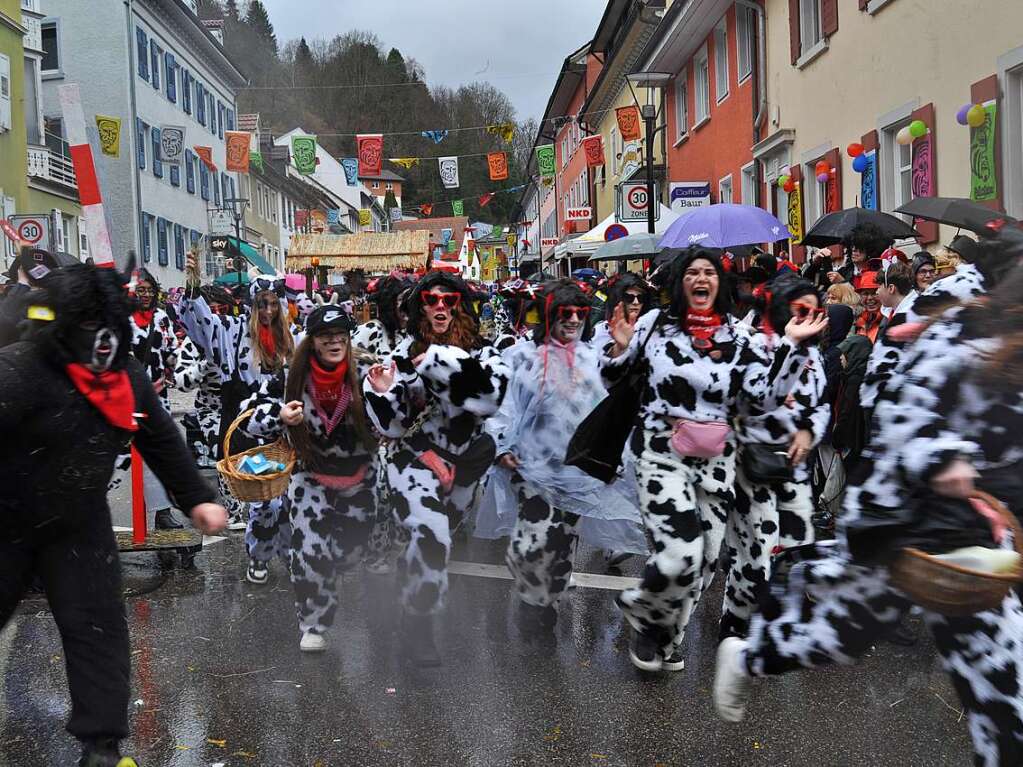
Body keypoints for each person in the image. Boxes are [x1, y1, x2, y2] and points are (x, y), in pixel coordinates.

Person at [713, 226, 1023, 767]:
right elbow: (895, 396)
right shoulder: (957, 318)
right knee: (845, 635)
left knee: (1007, 709)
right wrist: (943, 457)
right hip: (917, 520)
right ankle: (752, 650)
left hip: (990, 535)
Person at [0, 262, 226, 767]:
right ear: (59, 324)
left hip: (79, 524)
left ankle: (101, 747)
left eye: (107, 324)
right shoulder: (20, 368)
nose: (99, 339)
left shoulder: (125, 375)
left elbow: (161, 437)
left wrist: (197, 498)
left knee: (98, 629)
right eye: (85, 325)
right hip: (6, 522)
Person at [601, 247, 828, 671]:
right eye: (692, 272)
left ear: (718, 284)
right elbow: (614, 379)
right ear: (680, 283)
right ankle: (644, 612)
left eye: (709, 272)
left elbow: (762, 399)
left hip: (715, 462)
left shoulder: (737, 339)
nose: (700, 278)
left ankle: (662, 640)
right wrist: (619, 351)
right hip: (660, 452)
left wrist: (792, 348)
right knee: (680, 554)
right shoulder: (655, 326)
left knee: (703, 560)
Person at [363, 271, 509, 666]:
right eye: (431, 299)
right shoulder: (400, 358)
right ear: (418, 307)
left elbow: (489, 399)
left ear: (461, 304)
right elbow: (391, 426)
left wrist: (437, 362)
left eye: (449, 300)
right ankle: (419, 627)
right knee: (432, 537)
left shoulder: (484, 353)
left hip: (463, 467)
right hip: (414, 460)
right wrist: (379, 394)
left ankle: (411, 591)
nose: (440, 307)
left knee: (435, 542)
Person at [483, 280, 645, 629]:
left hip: (574, 472)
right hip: (531, 470)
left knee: (560, 548)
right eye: (564, 313)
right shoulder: (521, 357)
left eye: (579, 313)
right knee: (535, 540)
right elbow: (504, 407)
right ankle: (528, 587)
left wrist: (613, 457)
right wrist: (502, 446)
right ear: (548, 315)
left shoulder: (593, 358)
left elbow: (612, 409)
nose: (573, 320)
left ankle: (543, 600)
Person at [245, 302, 379, 652]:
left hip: (359, 477)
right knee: (309, 551)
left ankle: (326, 570)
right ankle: (314, 623)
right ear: (313, 340)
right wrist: (280, 416)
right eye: (325, 336)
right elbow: (250, 419)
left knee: (349, 551)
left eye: (340, 335)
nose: (334, 342)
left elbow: (397, 416)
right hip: (310, 478)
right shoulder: (291, 375)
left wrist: (388, 394)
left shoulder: (367, 371)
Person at [180, 253, 298, 585]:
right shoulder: (232, 334)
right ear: (252, 304)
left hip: (286, 436)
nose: (268, 311)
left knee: (288, 503)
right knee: (263, 505)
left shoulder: (293, 341)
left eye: (274, 304)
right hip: (247, 435)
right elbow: (202, 327)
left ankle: (290, 556)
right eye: (262, 304)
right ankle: (259, 558)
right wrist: (193, 286)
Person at [722, 276, 828, 641]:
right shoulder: (749, 343)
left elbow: (822, 403)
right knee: (756, 556)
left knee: (796, 552)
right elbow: (750, 400)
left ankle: (779, 626)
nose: (811, 318)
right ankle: (734, 625)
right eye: (802, 310)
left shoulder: (814, 354)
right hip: (753, 466)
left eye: (817, 311)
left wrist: (809, 430)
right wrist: (789, 346)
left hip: (794, 470)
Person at [860, 262, 915, 412]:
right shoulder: (893, 311)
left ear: (891, 289)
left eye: (879, 287)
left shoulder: (909, 316)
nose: (876, 292)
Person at [590, 273, 652, 351]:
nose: (636, 302)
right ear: (618, 299)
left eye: (641, 298)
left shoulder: (651, 329)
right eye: (629, 297)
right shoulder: (600, 331)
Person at [853, 271, 884, 343]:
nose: (869, 298)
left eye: (874, 293)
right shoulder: (858, 319)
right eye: (865, 294)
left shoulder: (889, 320)